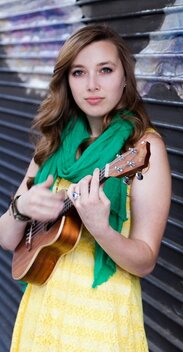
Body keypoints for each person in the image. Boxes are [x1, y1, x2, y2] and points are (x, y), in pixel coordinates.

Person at [0, 24, 171, 351]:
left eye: (105, 70)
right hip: (42, 310)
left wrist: (100, 228)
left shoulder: (142, 149)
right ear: (66, 80)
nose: (92, 85)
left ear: (124, 77)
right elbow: (7, 238)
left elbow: (146, 261)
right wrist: (21, 209)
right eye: (79, 72)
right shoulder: (53, 144)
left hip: (99, 321)